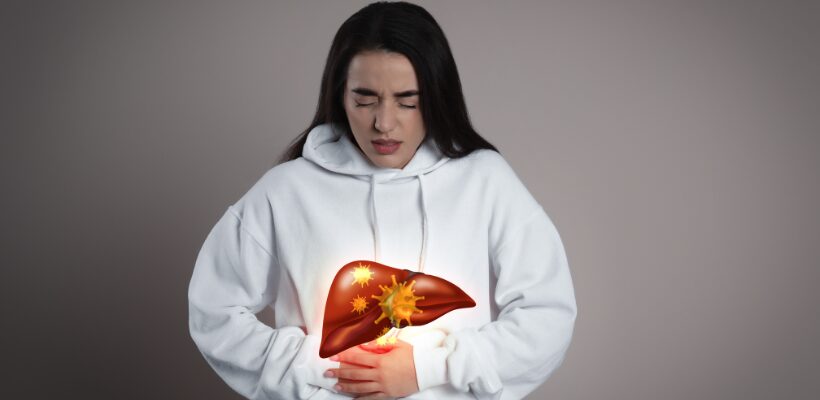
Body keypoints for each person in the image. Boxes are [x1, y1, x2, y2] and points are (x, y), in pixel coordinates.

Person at [187, 1, 577, 399]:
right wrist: (321, 367)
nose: (384, 123)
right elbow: (213, 311)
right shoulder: (288, 190)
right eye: (365, 99)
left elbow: (548, 317)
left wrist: (427, 368)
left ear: (437, 96)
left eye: (408, 101)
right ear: (340, 95)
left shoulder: (485, 181)